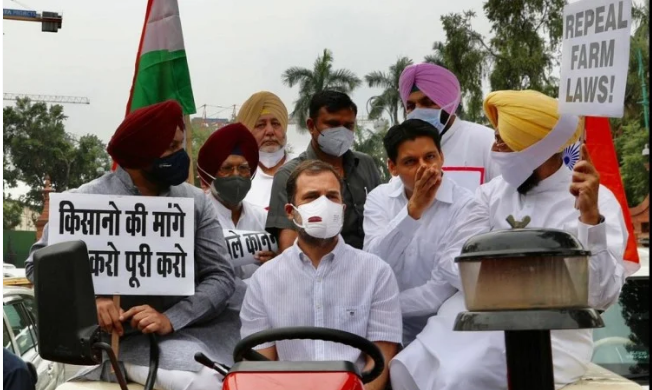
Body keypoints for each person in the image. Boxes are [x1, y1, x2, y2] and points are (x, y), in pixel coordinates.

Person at [390, 90, 628, 390]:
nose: (495, 148)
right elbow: (453, 262)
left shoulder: (595, 201)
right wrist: (535, 277)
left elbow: (599, 296)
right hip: (469, 322)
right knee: (403, 369)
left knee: (462, 377)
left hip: (551, 335)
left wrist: (590, 221)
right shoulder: (491, 194)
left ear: (536, 149)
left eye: (503, 141)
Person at [25, 100, 237, 390]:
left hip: (183, 337)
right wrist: (91, 303)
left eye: (181, 145)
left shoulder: (196, 202)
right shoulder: (83, 201)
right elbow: (38, 267)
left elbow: (221, 277)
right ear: (141, 154)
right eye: (171, 148)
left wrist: (170, 319)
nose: (181, 156)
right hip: (104, 346)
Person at [241, 160, 402, 390]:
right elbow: (260, 365)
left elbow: (379, 363)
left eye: (332, 197)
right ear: (290, 212)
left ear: (342, 209)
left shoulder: (376, 273)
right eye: (312, 196)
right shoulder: (264, 280)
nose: (323, 204)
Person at [363, 119, 474, 345]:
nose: (424, 167)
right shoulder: (379, 199)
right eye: (411, 161)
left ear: (442, 157)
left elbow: (441, 289)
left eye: (430, 157)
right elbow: (373, 263)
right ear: (392, 168)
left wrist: (378, 306)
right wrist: (413, 210)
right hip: (383, 329)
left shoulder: (466, 205)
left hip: (446, 328)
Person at [266, 90, 381, 252]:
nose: (342, 132)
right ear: (311, 126)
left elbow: (382, 220)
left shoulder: (365, 164)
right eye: (332, 124)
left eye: (348, 126)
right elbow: (288, 246)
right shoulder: (289, 174)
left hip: (370, 267)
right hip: (319, 270)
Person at [197, 122, 274, 309]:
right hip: (211, 312)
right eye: (227, 168)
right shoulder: (197, 217)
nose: (236, 175)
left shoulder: (262, 219)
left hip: (258, 308)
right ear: (210, 174)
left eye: (243, 168)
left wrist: (274, 262)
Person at [397, 63, 497, 191]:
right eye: (411, 106)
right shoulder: (404, 150)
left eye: (427, 103)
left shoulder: (486, 142)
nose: (418, 111)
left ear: (449, 104)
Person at [236, 91, 294, 210]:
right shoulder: (235, 176)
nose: (270, 131)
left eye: (276, 123)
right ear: (247, 132)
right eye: (261, 125)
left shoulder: (304, 170)